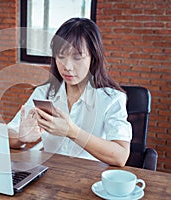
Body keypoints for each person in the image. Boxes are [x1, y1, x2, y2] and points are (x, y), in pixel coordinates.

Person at [8, 18, 132, 167]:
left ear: (93, 57)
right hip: (51, 177)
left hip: (91, 180)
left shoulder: (112, 99)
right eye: (61, 56)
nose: (67, 66)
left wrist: (71, 131)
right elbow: (8, 135)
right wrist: (21, 138)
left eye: (77, 57)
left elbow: (120, 156)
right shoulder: (43, 94)